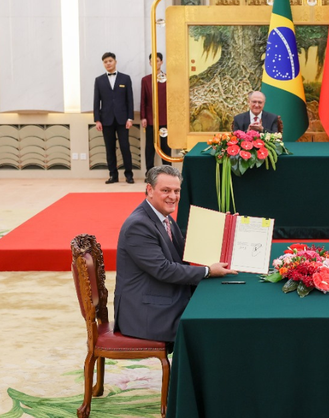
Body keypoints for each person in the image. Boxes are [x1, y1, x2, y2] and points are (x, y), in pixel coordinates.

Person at [114, 165, 237, 344]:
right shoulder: (138, 225)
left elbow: (185, 251)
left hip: (163, 297)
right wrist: (208, 271)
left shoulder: (163, 216)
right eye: (166, 190)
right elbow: (163, 269)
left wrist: (223, 228)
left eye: (176, 191)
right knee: (216, 322)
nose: (173, 196)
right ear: (150, 189)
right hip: (147, 313)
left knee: (221, 305)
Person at [94, 52, 135, 184]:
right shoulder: (99, 80)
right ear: (103, 64)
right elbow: (96, 101)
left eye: (110, 61)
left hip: (123, 119)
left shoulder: (125, 78)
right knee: (109, 149)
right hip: (106, 120)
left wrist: (130, 118)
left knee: (125, 147)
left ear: (115, 62)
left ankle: (129, 175)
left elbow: (130, 100)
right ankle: (113, 175)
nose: (108, 64)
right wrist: (97, 119)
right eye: (105, 62)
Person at [140, 52, 171, 172]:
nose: (155, 63)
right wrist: (143, 117)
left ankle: (168, 171)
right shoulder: (145, 80)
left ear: (161, 62)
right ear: (149, 63)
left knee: (165, 146)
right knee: (150, 147)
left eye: (157, 60)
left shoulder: (168, 78)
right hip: (150, 119)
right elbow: (143, 100)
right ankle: (149, 172)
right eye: (152, 61)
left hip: (165, 118)